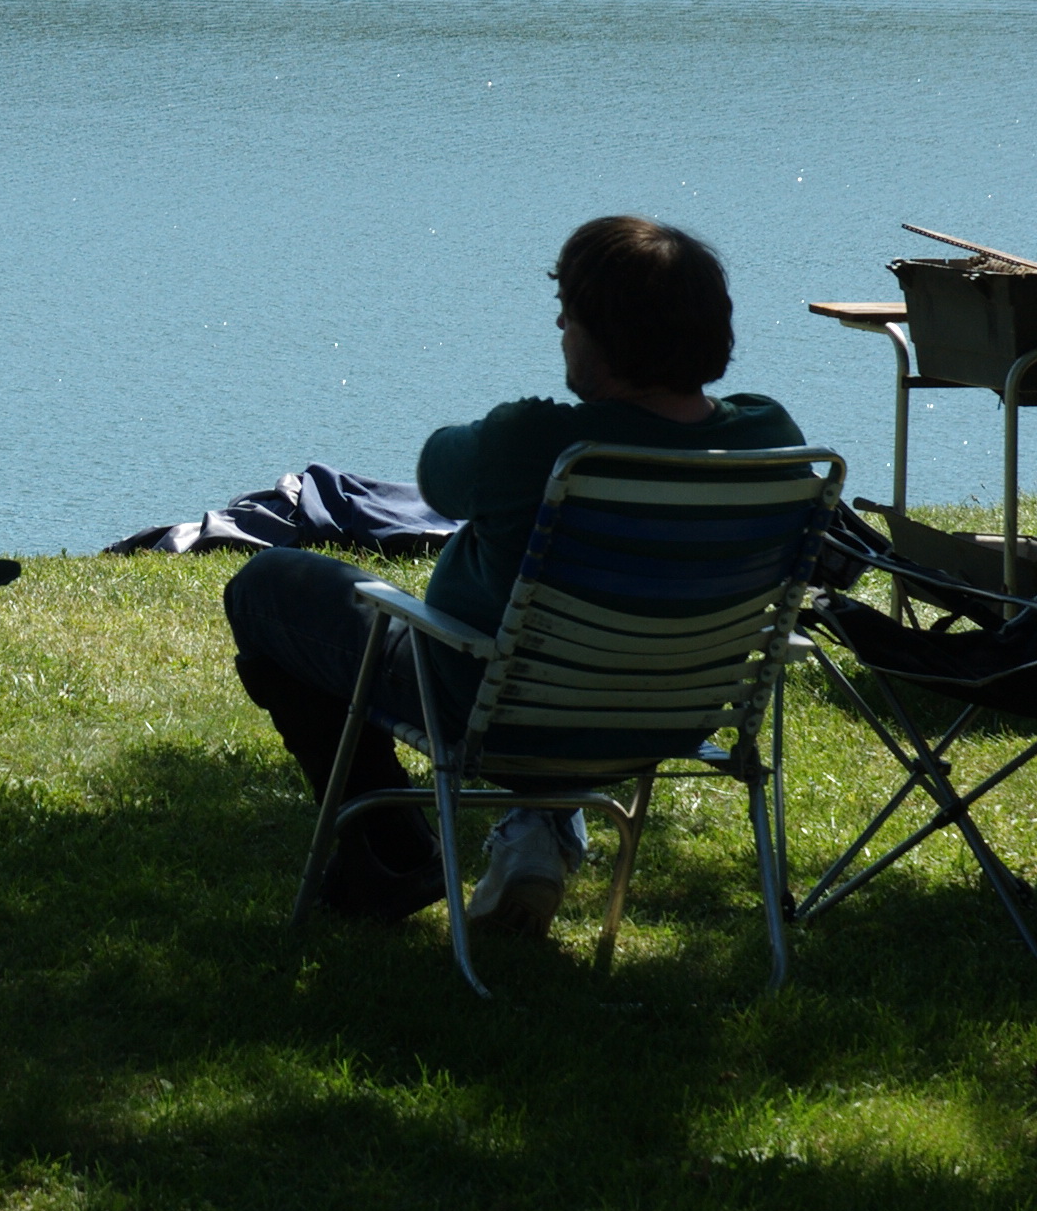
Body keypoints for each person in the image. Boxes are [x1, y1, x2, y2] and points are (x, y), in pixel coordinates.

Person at [225, 215, 805, 933]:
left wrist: (507, 439)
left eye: (573, 310)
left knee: (265, 586)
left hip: (490, 709)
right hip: (671, 719)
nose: (561, 320)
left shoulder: (536, 444)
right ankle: (538, 834)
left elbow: (437, 472)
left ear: (611, 335)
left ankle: (393, 852)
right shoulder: (771, 439)